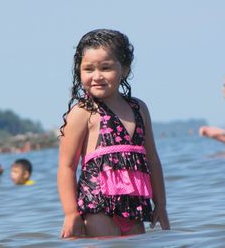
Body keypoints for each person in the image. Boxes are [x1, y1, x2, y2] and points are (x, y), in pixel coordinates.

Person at [57, 29, 170, 238]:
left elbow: (152, 160)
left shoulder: (139, 109)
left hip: (135, 207)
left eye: (106, 68)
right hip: (98, 207)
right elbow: (66, 167)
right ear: (78, 71)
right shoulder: (83, 113)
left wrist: (160, 205)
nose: (96, 76)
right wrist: (71, 213)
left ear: (125, 69)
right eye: (88, 69)